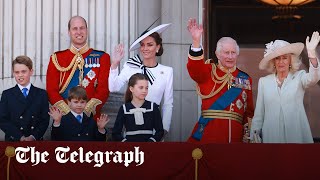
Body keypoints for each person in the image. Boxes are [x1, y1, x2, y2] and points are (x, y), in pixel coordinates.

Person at [186, 18, 254, 143]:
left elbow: (249, 112)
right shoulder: (208, 71)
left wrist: (247, 136)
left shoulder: (245, 78)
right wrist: (196, 41)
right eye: (226, 52)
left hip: (236, 137)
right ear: (217, 54)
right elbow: (194, 69)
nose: (230, 56)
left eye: (233, 53)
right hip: (209, 134)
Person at [250, 32, 320, 143]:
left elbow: (314, 78)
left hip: (296, 137)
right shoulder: (264, 82)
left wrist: (311, 54)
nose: (281, 62)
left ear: (290, 61)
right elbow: (259, 114)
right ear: (273, 62)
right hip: (271, 138)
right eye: (277, 58)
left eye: (284, 58)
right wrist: (254, 134)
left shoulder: (299, 77)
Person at [109, 23, 173, 136]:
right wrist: (114, 64)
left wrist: (164, 129)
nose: (145, 48)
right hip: (130, 123)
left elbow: (168, 103)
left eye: (150, 45)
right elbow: (113, 87)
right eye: (142, 45)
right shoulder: (131, 66)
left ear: (157, 47)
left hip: (153, 123)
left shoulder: (167, 71)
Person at [46, 16, 110, 120]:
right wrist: (68, 113)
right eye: (75, 28)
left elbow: (103, 90)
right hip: (64, 119)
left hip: (91, 119)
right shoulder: (57, 58)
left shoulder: (102, 57)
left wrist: (85, 111)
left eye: (82, 28)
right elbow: (51, 90)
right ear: (69, 32)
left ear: (87, 30)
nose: (79, 32)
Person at [0, 56, 49, 141]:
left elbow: (44, 120)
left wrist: (33, 137)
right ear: (13, 73)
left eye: (23, 71)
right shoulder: (7, 94)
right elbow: (2, 120)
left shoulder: (41, 94)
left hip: (35, 141)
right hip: (14, 141)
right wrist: (20, 137)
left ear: (31, 72)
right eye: (17, 72)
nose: (20, 75)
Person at [112, 73, 164, 142]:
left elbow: (160, 131)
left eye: (146, 88)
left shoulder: (153, 107)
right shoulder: (124, 108)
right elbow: (116, 133)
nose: (144, 91)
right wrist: (125, 142)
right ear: (131, 89)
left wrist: (152, 141)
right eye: (141, 87)